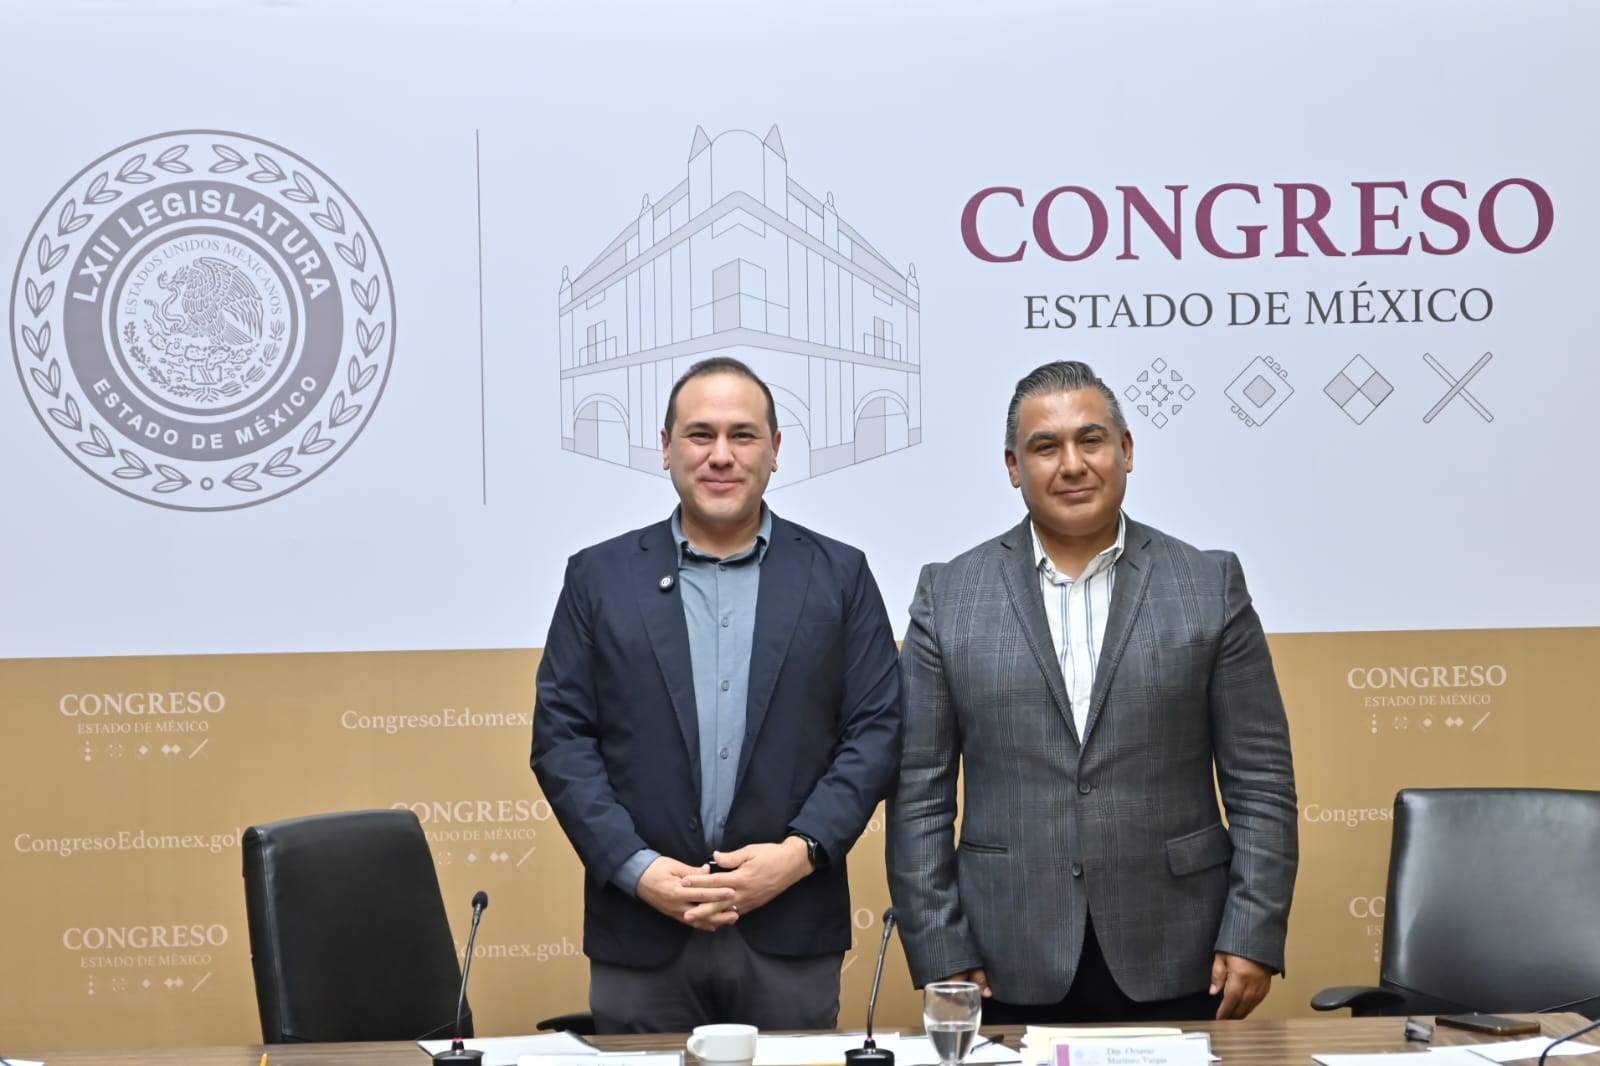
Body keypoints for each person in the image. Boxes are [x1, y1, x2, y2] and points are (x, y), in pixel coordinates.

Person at [886, 359, 1298, 1023]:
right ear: (1014, 467)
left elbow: (1262, 782)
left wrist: (1252, 931)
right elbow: (918, 795)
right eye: (1045, 447)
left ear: (1126, 450)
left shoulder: (1208, 585)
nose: (1072, 465)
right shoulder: (949, 595)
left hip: (1181, 948)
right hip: (1003, 955)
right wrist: (939, 944)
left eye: (1091, 440)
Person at [532, 356, 902, 1033]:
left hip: (790, 927)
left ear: (776, 449)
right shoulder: (597, 578)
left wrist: (797, 856)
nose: (721, 455)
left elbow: (875, 732)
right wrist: (639, 871)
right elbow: (562, 742)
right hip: (641, 932)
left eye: (743, 435)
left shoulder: (840, 576)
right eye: (701, 434)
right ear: (666, 447)